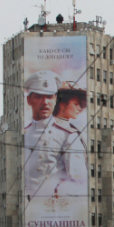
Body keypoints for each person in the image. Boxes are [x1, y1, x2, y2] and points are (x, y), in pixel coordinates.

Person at [22, 70, 79, 200]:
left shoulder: (67, 135)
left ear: (55, 100)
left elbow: (77, 179)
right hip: (28, 209)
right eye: (38, 96)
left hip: (56, 209)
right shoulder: (22, 136)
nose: (45, 102)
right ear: (29, 100)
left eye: (49, 97)